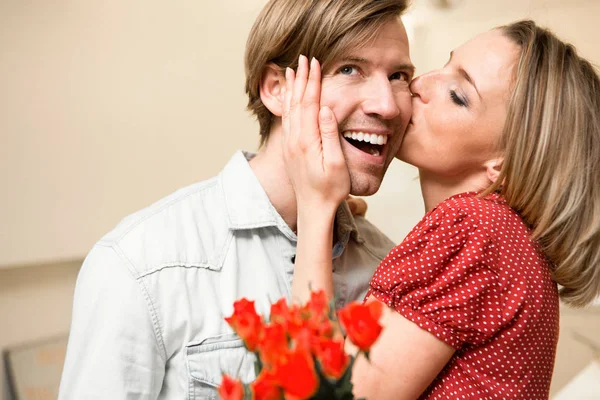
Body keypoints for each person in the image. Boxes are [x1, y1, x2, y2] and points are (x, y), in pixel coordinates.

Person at [58, 0, 415, 399]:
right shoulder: (142, 264)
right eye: (350, 69)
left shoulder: (390, 269)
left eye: (399, 75)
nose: (386, 105)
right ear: (277, 89)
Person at [283, 20, 600, 399]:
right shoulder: (504, 238)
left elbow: (330, 394)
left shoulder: (473, 229)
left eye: (458, 95)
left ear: (502, 162)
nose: (419, 84)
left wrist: (315, 204)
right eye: (445, 64)